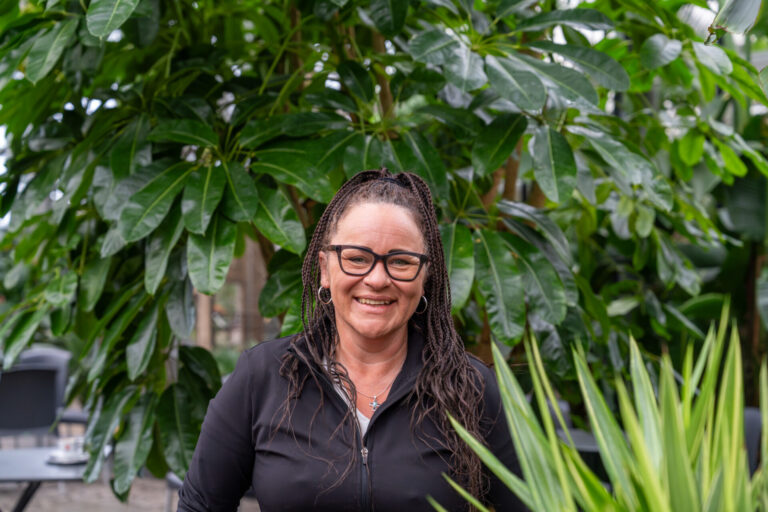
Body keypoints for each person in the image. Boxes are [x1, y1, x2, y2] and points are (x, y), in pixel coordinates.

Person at [178, 168, 526, 511]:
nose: (377, 279)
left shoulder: (470, 388)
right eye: (357, 258)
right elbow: (198, 506)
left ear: (425, 275)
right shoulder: (264, 376)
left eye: (400, 262)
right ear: (325, 269)